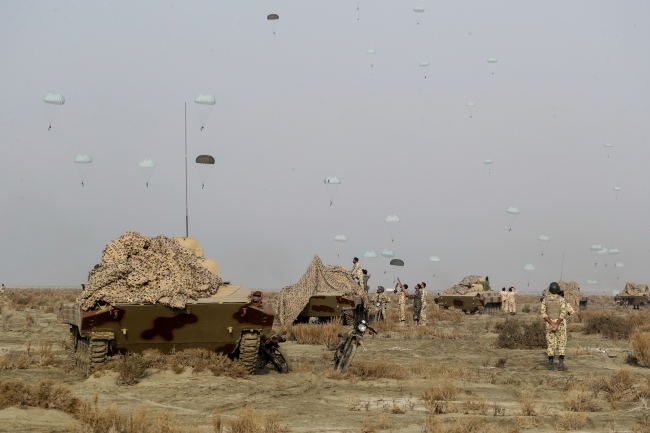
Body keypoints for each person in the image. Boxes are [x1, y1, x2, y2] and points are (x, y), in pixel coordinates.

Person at [541, 282, 572, 371]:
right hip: (560, 324)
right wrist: (557, 324)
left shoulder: (545, 300)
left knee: (550, 345)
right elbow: (563, 313)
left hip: (549, 324)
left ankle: (551, 366)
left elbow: (543, 313)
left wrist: (551, 323)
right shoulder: (562, 299)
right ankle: (561, 365)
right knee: (561, 344)